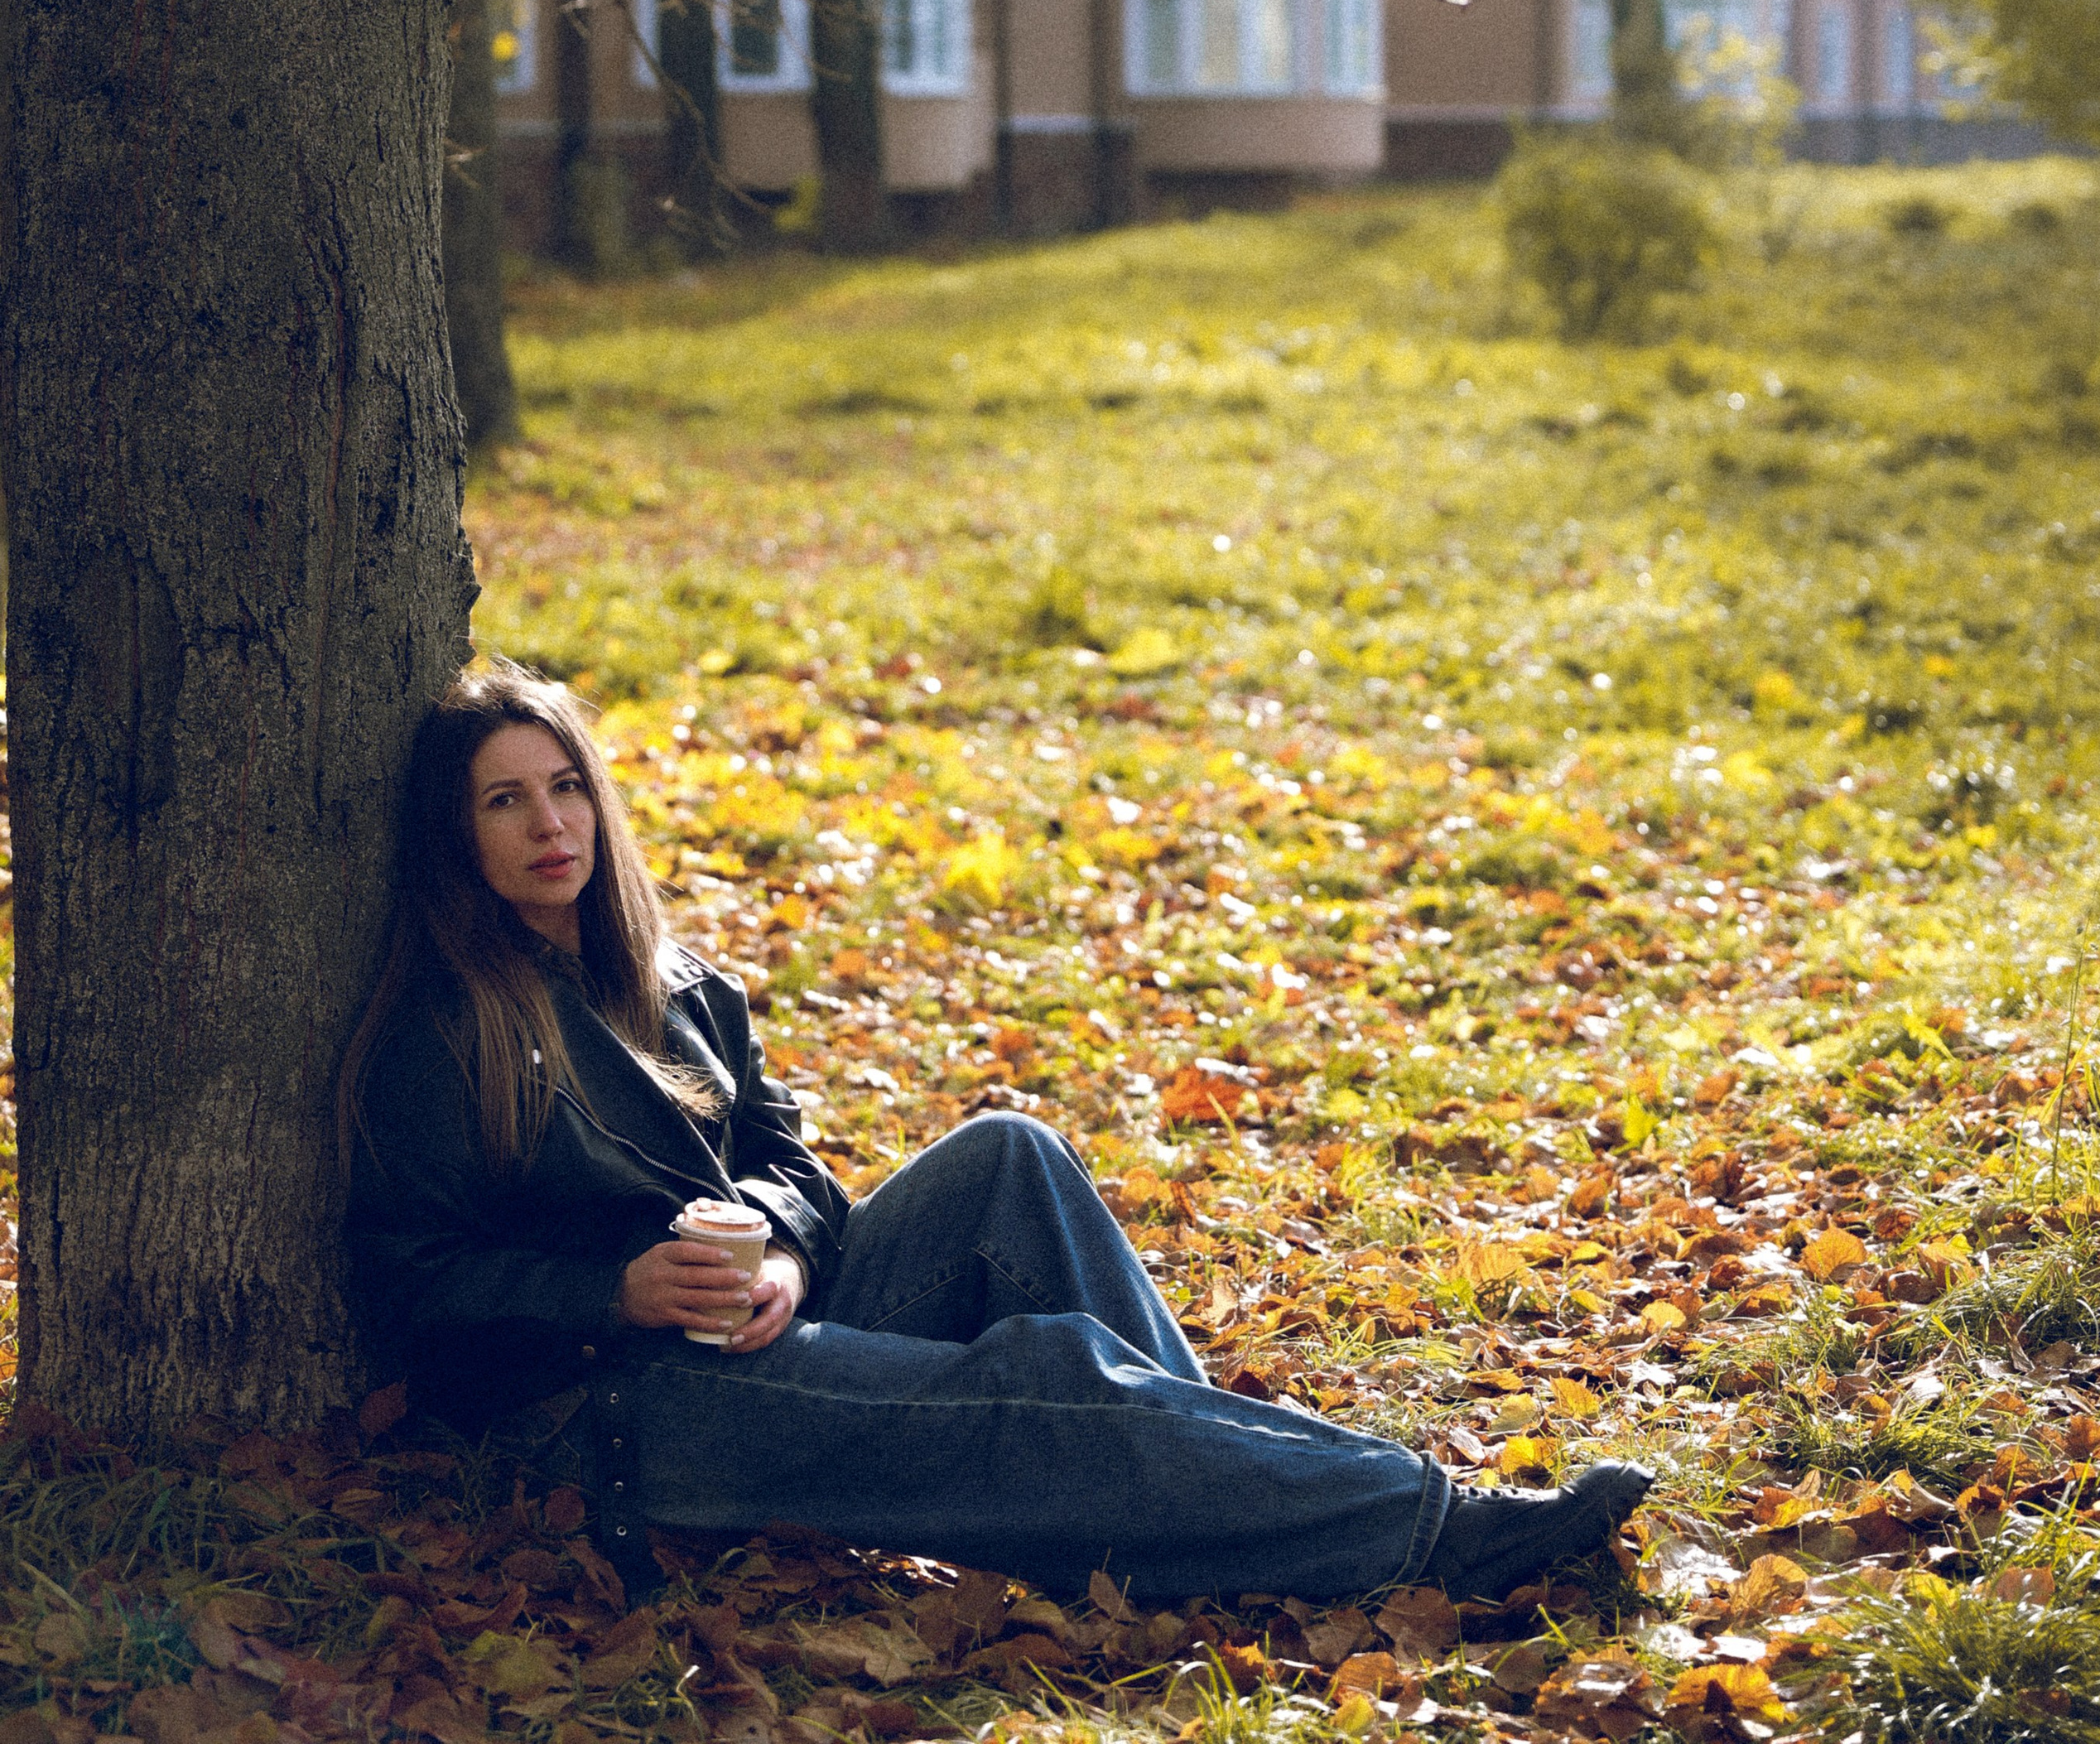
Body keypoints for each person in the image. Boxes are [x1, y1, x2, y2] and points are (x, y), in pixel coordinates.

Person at [342, 666, 1651, 1605]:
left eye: (565, 786)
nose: (550, 824)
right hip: (620, 1401)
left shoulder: (678, 980)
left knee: (1011, 1155)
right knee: (1044, 1382)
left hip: (757, 1317)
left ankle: (1216, 1488)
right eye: (504, 802)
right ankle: (1438, 1532)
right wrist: (611, 1293)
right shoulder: (442, 1034)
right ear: (457, 838)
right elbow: (410, 1288)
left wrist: (792, 1254)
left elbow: (794, 1165)